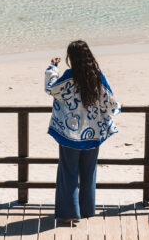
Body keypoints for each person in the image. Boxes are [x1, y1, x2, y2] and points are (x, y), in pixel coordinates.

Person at [44, 40, 121, 226]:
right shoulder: (97, 76)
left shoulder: (70, 76)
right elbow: (109, 101)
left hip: (69, 134)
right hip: (92, 133)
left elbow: (51, 88)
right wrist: (118, 109)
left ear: (71, 58)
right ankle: (87, 210)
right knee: (89, 171)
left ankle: (70, 213)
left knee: (68, 171)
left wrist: (52, 67)